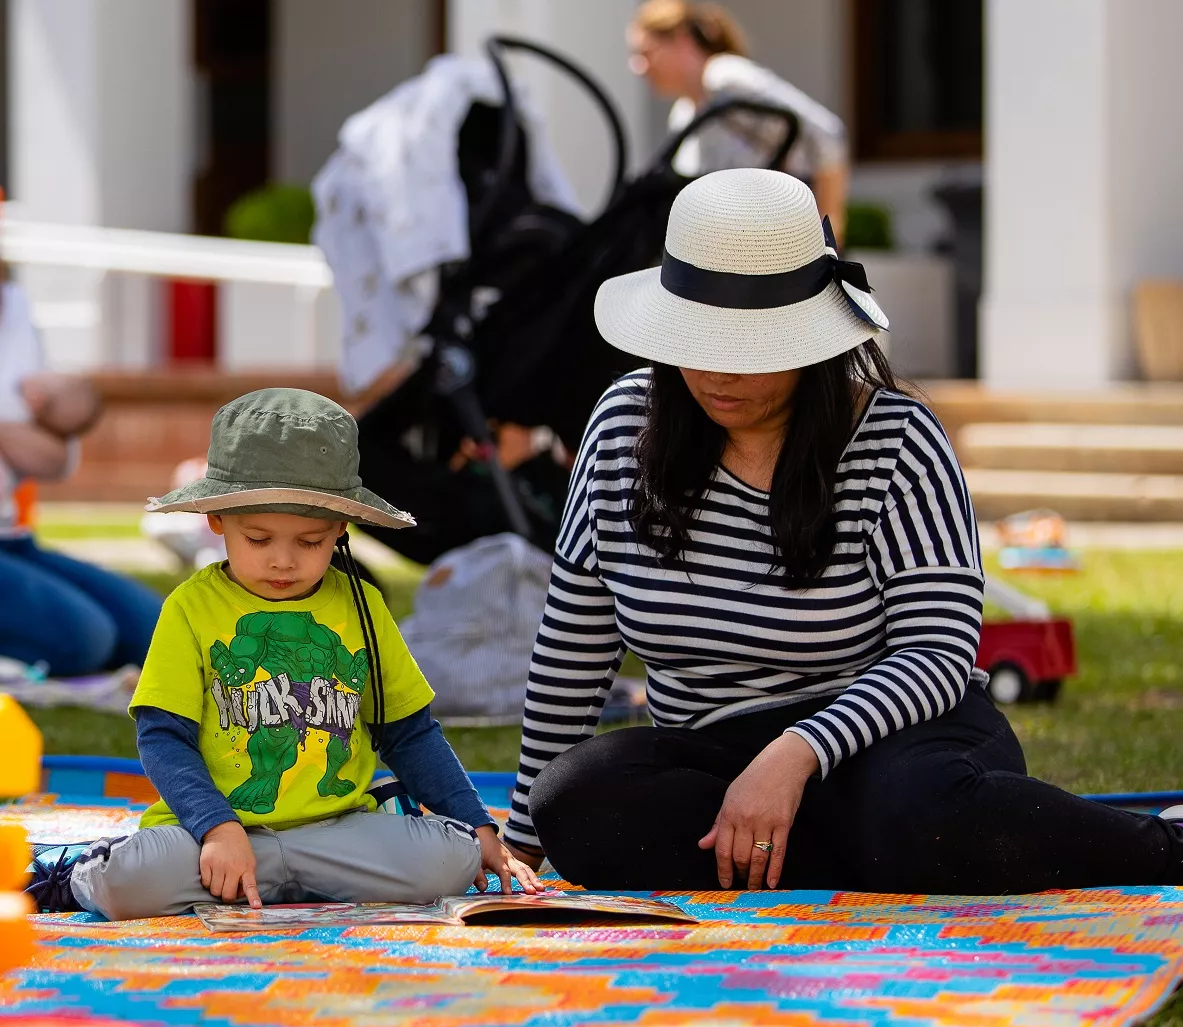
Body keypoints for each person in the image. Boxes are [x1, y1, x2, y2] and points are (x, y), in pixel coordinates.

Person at [501, 168, 1183, 895]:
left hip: (899, 734)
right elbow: (573, 644)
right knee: (572, 801)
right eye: (694, 337)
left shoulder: (895, 440)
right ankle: (872, 858)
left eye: (748, 344)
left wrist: (796, 752)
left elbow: (936, 654)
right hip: (714, 752)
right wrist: (521, 840)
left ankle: (1160, 844)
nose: (714, 371)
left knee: (915, 810)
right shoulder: (620, 429)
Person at [26, 387, 540, 919]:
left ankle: (279, 876)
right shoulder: (190, 608)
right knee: (129, 882)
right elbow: (162, 738)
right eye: (259, 537)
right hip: (213, 835)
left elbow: (408, 732)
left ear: (342, 529)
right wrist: (218, 828)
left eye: (310, 542)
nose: (283, 561)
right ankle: (70, 873)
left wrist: (479, 827)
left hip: (337, 833)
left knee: (451, 862)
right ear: (217, 519)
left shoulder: (361, 606)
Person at [0, 279, 161, 676]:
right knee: (87, 639)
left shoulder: (14, 302)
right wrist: (19, 434)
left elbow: (59, 457)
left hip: (10, 537)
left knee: (156, 626)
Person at [628, 0, 850, 240]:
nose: (638, 67)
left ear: (681, 40)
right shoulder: (683, 113)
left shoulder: (723, 78)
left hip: (777, 249)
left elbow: (827, 137)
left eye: (646, 52)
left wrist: (827, 238)